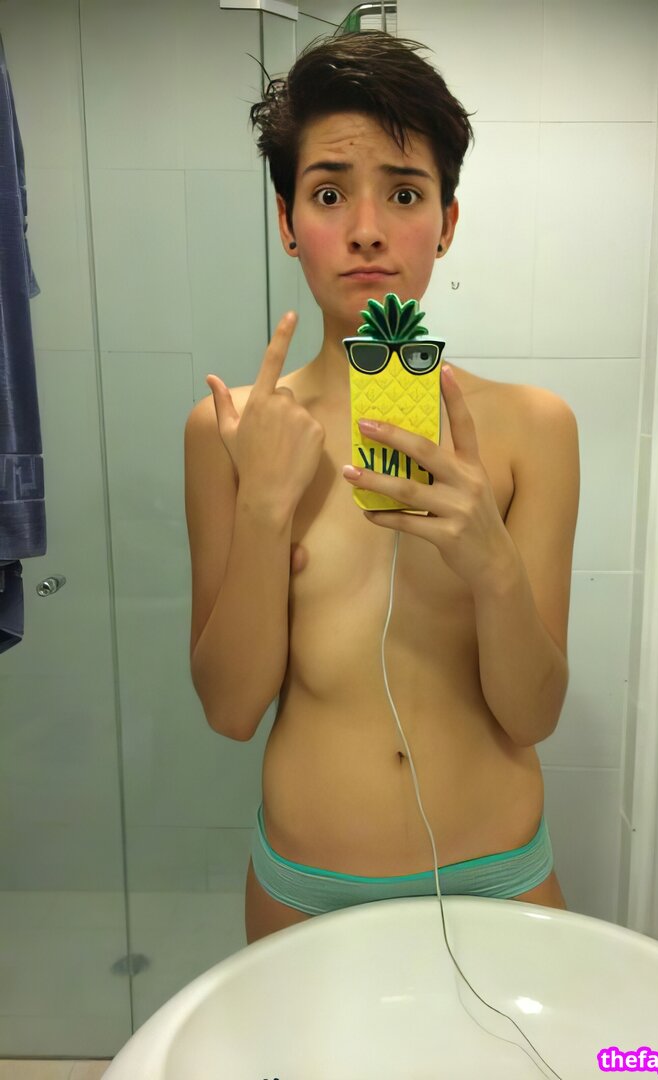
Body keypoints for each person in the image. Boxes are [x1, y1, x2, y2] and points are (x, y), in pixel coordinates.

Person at [183, 30, 580, 943]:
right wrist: (264, 503)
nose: (367, 228)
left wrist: (492, 562)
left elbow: (534, 712)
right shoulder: (230, 431)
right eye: (329, 193)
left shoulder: (535, 430)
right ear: (287, 221)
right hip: (307, 883)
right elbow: (231, 711)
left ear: (446, 221)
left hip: (499, 875)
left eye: (404, 193)